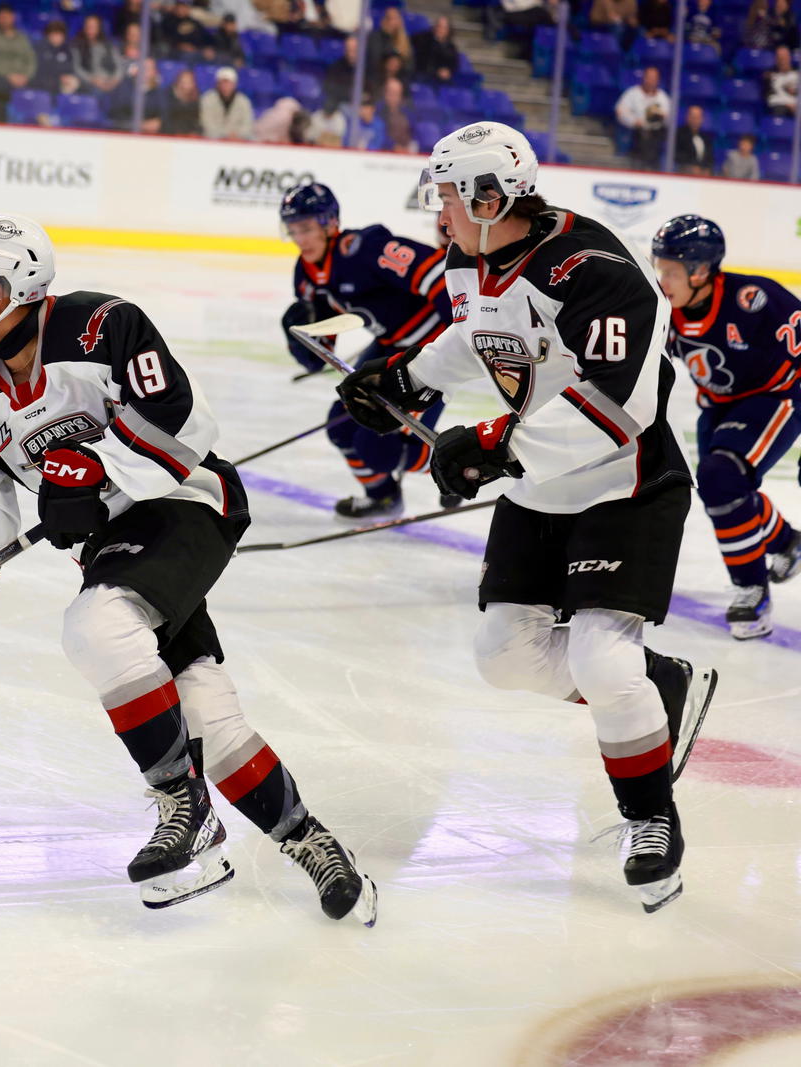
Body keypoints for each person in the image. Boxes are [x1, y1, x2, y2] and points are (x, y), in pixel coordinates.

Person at [0, 213, 379, 921]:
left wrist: (96, 468)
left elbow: (180, 422)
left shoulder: (104, 327)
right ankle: (311, 840)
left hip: (187, 502)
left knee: (97, 624)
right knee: (203, 713)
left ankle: (183, 806)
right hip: (112, 550)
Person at [338, 122, 716, 913]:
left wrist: (494, 442)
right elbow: (481, 335)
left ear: (487, 196)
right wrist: (403, 376)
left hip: (624, 482)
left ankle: (650, 816)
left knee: (602, 661)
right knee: (503, 655)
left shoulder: (595, 269)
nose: (436, 210)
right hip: (539, 483)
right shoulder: (467, 259)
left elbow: (622, 405)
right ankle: (662, 686)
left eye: (445, 194)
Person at [652, 215, 801, 638]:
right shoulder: (666, 310)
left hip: (778, 397)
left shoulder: (753, 300)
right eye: (659, 267)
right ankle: (788, 541)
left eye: (671, 271)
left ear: (701, 270)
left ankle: (752, 591)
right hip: (718, 406)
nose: (661, 279)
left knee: (721, 479)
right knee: (724, 489)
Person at [280, 182, 453, 517]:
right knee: (341, 426)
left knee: (377, 445)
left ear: (329, 223)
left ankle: (457, 466)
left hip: (432, 348)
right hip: (388, 348)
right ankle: (383, 497)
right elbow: (320, 355)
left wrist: (457, 339)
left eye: (306, 228)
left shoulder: (363, 250)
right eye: (292, 230)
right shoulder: (306, 274)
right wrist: (301, 342)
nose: (300, 238)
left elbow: (436, 273)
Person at [614, 66, 671, 169]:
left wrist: (662, 117)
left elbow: (669, 118)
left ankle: (653, 169)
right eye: (649, 77)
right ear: (644, 78)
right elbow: (620, 111)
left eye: (654, 78)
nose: (651, 81)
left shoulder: (663, 98)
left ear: (658, 80)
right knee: (642, 137)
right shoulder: (632, 93)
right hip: (636, 132)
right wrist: (634, 121)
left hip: (657, 134)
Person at [72, 14, 122, 95]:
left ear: (99, 28)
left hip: (110, 80)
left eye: (94, 26)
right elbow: (77, 68)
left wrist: (115, 80)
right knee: (97, 93)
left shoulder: (108, 45)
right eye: (88, 26)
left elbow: (118, 64)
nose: (90, 29)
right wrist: (92, 79)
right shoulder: (77, 45)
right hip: (90, 82)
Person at [200, 66, 255, 140]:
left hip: (238, 141)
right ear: (218, 84)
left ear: (234, 84)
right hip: (213, 141)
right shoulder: (207, 99)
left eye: (229, 82)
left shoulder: (244, 101)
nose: (226, 86)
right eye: (223, 82)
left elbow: (248, 125)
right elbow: (207, 124)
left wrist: (236, 135)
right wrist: (226, 135)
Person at [33, 18, 81, 95]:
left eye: (59, 34)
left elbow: (71, 68)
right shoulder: (40, 48)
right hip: (45, 81)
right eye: (54, 34)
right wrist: (59, 78)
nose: (56, 37)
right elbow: (40, 70)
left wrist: (67, 77)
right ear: (48, 35)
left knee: (75, 83)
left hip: (64, 81)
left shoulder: (67, 49)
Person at [412, 16, 460, 85]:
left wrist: (448, 71)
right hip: (423, 74)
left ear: (448, 30)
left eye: (443, 27)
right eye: (438, 26)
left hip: (440, 78)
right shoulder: (423, 39)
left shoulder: (451, 48)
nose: (439, 29)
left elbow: (454, 66)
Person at [161, 68, 204, 136]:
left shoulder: (196, 100)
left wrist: (195, 133)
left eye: (189, 82)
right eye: (184, 82)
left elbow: (198, 122)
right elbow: (165, 121)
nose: (186, 85)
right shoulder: (167, 97)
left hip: (189, 138)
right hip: (170, 136)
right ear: (178, 82)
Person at [674, 104, 714, 176]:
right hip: (683, 170)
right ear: (688, 118)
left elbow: (710, 157)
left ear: (702, 119)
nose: (695, 120)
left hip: (702, 172)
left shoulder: (705, 137)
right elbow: (676, 154)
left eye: (698, 117)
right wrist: (692, 165)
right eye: (693, 117)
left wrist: (704, 168)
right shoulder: (679, 134)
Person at [768, 45, 798, 114]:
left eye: (785, 57)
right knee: (779, 109)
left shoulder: (797, 75)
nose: (783, 61)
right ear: (776, 60)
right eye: (780, 58)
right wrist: (789, 105)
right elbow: (770, 99)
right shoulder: (771, 77)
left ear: (790, 57)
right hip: (782, 108)